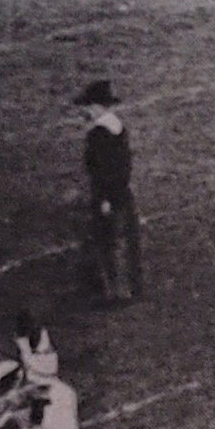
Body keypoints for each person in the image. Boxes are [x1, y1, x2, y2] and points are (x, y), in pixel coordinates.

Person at [74, 80, 141, 305]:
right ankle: (130, 286)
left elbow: (101, 170)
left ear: (96, 107)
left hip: (109, 194)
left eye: (88, 106)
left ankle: (117, 292)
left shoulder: (98, 134)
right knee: (125, 238)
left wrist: (104, 198)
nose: (84, 111)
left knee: (109, 241)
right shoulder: (117, 128)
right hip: (122, 191)